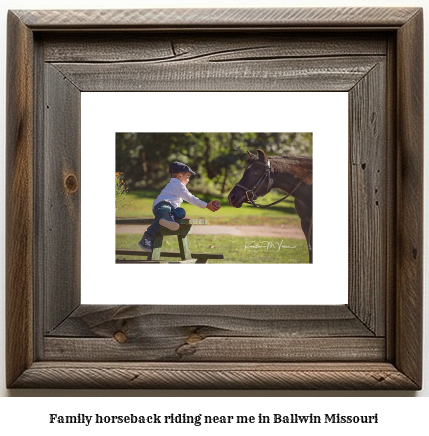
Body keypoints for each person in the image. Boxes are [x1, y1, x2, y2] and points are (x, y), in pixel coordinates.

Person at [138, 162, 220, 252]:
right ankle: (147, 235)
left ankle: (170, 217)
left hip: (170, 209)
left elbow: (175, 203)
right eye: (187, 177)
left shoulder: (175, 185)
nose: (188, 180)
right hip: (162, 206)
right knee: (167, 209)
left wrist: (179, 216)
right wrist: (207, 205)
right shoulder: (178, 185)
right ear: (180, 176)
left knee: (181, 211)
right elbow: (191, 198)